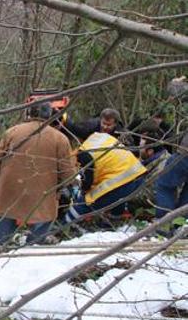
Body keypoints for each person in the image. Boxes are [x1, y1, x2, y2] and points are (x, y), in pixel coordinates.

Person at [0, 102, 77, 245]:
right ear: (49, 115)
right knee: (42, 222)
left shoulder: (12, 132)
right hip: (43, 192)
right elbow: (68, 172)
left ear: (29, 113)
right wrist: (63, 187)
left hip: (10, 190)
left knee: (5, 222)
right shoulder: (60, 138)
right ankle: (31, 250)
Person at [64, 131, 147, 224]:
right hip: (136, 172)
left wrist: (80, 191)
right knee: (116, 199)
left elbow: (87, 184)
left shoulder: (83, 157)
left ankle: (64, 226)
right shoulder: (95, 138)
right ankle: (113, 223)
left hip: (122, 179)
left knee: (85, 202)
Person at [154, 77, 188, 225]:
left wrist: (176, 81)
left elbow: (176, 91)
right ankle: (180, 225)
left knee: (164, 184)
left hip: (185, 154)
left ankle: (164, 224)